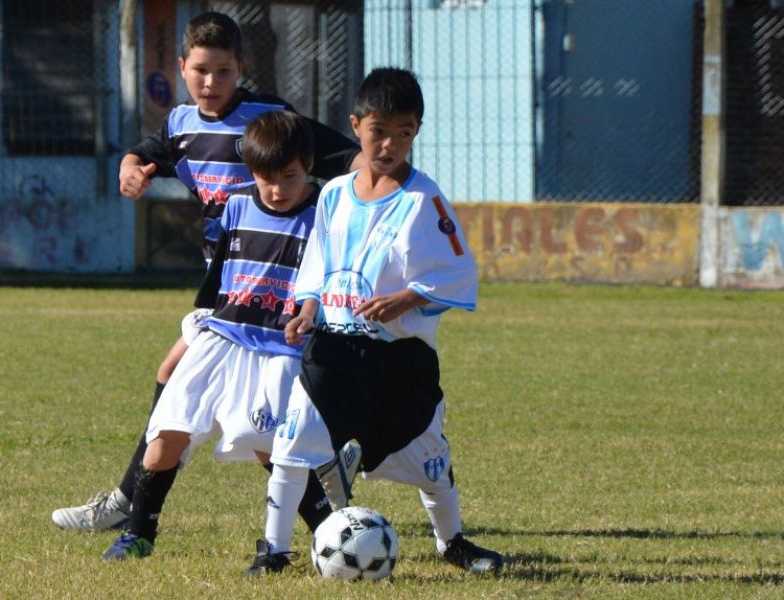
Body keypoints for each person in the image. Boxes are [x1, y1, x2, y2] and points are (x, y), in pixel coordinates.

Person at [52, 11, 361, 533]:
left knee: (250, 415)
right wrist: (130, 170)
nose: (210, 82)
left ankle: (130, 503)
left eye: (222, 70)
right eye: (200, 70)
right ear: (182, 67)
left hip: (275, 286)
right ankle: (329, 469)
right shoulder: (181, 125)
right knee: (192, 386)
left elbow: (343, 158)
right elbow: (144, 155)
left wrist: (378, 195)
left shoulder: (269, 116)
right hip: (225, 285)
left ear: (239, 68)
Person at [247, 68, 504, 576]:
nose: (390, 144)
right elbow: (317, 263)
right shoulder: (335, 194)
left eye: (404, 132)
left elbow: (459, 272)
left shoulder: (423, 201)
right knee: (291, 444)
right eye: (378, 130)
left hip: (397, 358)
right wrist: (306, 308)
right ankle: (273, 552)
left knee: (431, 462)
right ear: (356, 125)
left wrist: (405, 299)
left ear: (416, 132)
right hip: (333, 350)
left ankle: (452, 543)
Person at [102, 110, 335, 559]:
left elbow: (329, 279)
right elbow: (219, 280)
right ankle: (139, 534)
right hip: (221, 337)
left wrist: (312, 317)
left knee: (272, 449)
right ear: (251, 171)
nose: (277, 189)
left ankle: (331, 531)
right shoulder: (238, 204)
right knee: (165, 435)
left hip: (277, 349)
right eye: (267, 177)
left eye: (289, 177)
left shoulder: (323, 213)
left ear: (308, 165)